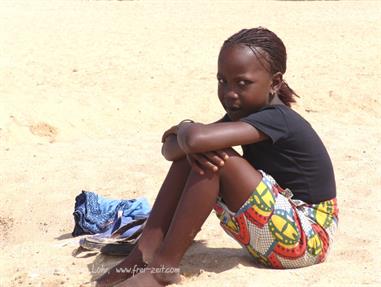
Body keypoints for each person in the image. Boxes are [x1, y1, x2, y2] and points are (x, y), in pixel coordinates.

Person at [96, 27, 338, 287]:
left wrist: (185, 126)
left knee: (214, 157)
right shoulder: (243, 116)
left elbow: (193, 140)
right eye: (222, 81)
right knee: (197, 154)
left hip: (309, 238)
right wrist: (189, 138)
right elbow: (172, 151)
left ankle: (161, 268)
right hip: (279, 235)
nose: (229, 93)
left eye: (242, 83)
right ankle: (142, 255)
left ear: (275, 83)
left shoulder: (278, 118)